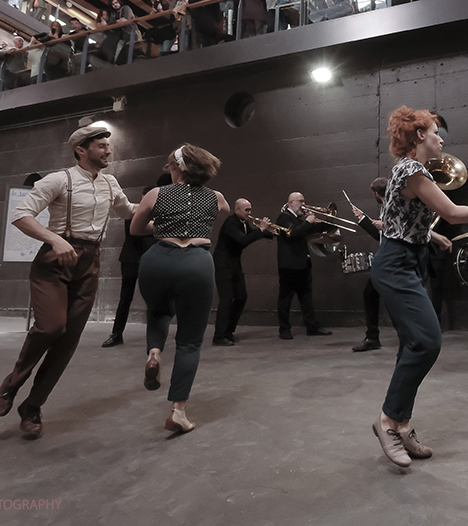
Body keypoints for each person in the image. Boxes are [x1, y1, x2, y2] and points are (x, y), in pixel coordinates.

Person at [370, 106, 468, 468]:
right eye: (437, 132)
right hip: (395, 263)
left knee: (414, 344)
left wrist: (434, 237)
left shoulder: (418, 172)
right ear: (420, 135)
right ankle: (387, 422)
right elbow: (454, 212)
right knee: (427, 340)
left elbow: (408, 219)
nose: (441, 139)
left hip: (411, 258)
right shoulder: (410, 168)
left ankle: (402, 424)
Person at [0, 125, 135, 439]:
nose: (108, 151)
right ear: (81, 150)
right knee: (51, 326)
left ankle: (32, 408)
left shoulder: (110, 183)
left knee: (68, 341)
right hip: (55, 260)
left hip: (89, 262)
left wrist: (162, 205)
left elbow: (128, 211)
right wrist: (54, 239)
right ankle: (11, 384)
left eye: (108, 147)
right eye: (101, 146)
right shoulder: (59, 179)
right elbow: (21, 214)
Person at [132, 144, 229, 433]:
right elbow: (222, 210)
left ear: (179, 169)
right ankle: (178, 411)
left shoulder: (156, 194)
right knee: (190, 341)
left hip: (157, 259)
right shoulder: (215, 196)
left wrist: (162, 223)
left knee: (158, 313)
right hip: (196, 264)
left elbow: (135, 229)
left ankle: (154, 353)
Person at [102, 175, 168, 348]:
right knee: (125, 298)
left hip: (151, 260)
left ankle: (153, 337)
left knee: (153, 299)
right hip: (131, 260)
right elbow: (135, 231)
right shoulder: (132, 212)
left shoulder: (159, 214)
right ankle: (116, 334)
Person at [212, 198, 273, 345]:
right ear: (237, 210)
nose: (250, 213)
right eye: (247, 210)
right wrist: (261, 230)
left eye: (250, 209)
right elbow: (243, 241)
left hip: (233, 265)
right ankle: (219, 336)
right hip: (222, 266)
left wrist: (274, 232)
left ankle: (229, 331)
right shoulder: (231, 223)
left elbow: (253, 234)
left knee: (241, 297)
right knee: (226, 300)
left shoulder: (243, 223)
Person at [275, 192, 332, 338]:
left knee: (306, 298)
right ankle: (284, 329)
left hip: (303, 264)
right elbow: (292, 233)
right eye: (300, 201)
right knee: (285, 299)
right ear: (290, 203)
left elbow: (310, 231)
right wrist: (308, 222)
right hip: (289, 265)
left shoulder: (299, 220)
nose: (303, 204)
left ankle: (312, 327)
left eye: (303, 201)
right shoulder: (284, 218)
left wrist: (326, 221)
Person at [349, 177, 388, 352]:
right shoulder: (387, 205)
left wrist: (385, 225)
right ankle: (373, 337)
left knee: (373, 295)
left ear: (376, 193)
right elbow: (379, 235)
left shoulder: (391, 207)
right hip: (388, 258)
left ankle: (373, 337)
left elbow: (400, 227)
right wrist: (363, 218)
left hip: (391, 259)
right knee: (371, 294)